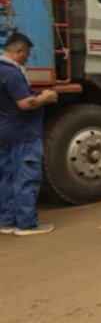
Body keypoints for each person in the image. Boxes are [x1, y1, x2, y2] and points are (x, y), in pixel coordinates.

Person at [0, 32, 58, 236]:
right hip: (23, 133)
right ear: (18, 51)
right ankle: (27, 224)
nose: (27, 58)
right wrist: (45, 97)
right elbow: (25, 103)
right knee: (27, 176)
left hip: (5, 131)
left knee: (7, 177)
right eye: (26, 54)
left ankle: (7, 221)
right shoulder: (12, 73)